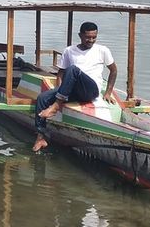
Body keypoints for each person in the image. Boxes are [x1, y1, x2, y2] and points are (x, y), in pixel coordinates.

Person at [32, 21, 118, 152]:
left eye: (94, 37)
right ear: (80, 35)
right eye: (88, 37)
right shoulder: (69, 50)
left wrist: (108, 92)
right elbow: (61, 72)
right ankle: (40, 136)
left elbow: (113, 70)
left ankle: (55, 107)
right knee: (42, 98)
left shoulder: (102, 50)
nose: (91, 40)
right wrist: (58, 90)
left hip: (90, 90)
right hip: (72, 90)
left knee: (73, 70)